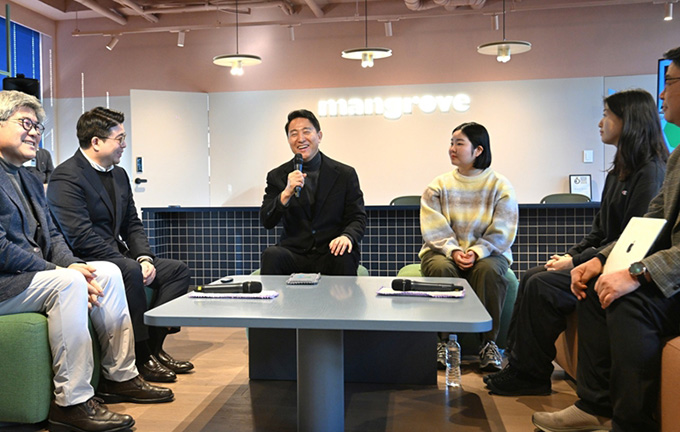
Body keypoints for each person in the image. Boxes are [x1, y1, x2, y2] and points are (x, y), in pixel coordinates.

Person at [0, 90, 173, 432]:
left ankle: (121, 376)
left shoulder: (29, 178)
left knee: (105, 271)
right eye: (26, 123)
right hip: (7, 282)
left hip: (29, 278)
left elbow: (53, 236)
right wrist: (59, 271)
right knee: (68, 282)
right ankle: (72, 403)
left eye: (38, 127)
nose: (35, 133)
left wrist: (70, 264)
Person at [532, 46, 680, 432]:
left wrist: (636, 272)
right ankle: (594, 406)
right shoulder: (678, 157)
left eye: (670, 82)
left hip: (673, 278)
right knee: (594, 286)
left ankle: (630, 424)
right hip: (666, 272)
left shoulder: (654, 168)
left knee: (629, 301)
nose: (662, 92)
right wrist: (599, 260)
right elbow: (649, 225)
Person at [486, 89, 668, 396]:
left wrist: (578, 261)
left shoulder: (651, 172)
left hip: (620, 266)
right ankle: (518, 367)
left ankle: (530, 374)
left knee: (542, 284)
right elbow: (599, 232)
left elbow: (635, 239)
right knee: (532, 275)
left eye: (607, 115)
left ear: (629, 120)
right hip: (601, 259)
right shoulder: (618, 172)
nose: (600, 123)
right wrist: (570, 256)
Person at [46, 107, 194, 384]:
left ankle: (154, 349)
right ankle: (141, 357)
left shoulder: (120, 174)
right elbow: (79, 236)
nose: (125, 145)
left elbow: (132, 224)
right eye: (120, 139)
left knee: (176, 271)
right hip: (85, 258)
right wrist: (130, 262)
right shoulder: (66, 176)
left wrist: (144, 257)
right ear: (96, 142)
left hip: (118, 255)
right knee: (128, 270)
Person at [419, 122, 518, 372]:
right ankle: (444, 342)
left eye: (459, 143)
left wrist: (477, 251)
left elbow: (504, 229)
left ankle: (489, 344)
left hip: (490, 252)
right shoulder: (438, 185)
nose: (452, 148)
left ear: (478, 150)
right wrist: (453, 250)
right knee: (441, 268)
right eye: (451, 143)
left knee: (488, 271)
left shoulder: (500, 185)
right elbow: (433, 228)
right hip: (442, 251)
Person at [260, 109, 367, 275]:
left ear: (319, 136)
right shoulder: (277, 176)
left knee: (344, 254)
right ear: (288, 140)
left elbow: (357, 217)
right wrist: (286, 193)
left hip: (331, 251)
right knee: (271, 255)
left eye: (306, 131)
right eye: (293, 134)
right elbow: (267, 221)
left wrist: (347, 236)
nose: (300, 138)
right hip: (294, 253)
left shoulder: (344, 174)